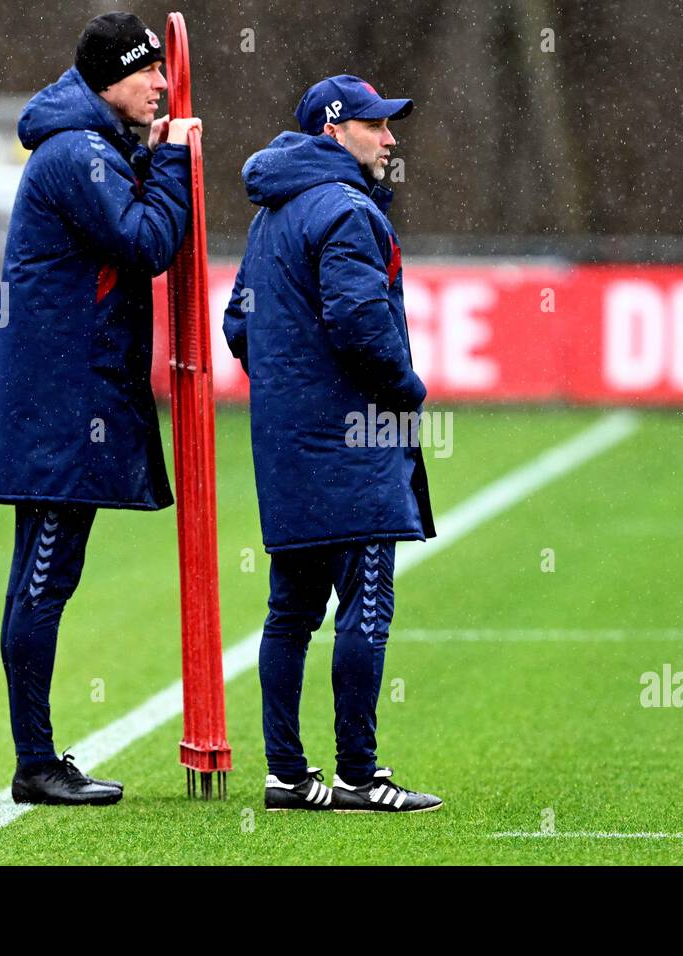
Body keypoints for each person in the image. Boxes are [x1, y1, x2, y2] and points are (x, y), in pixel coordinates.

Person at [0, 12, 202, 806]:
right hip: (60, 406)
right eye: (149, 74)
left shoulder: (87, 144)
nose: (161, 87)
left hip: (61, 400)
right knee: (44, 580)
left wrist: (148, 157)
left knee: (41, 581)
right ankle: (35, 764)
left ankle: (37, 757)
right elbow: (146, 244)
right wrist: (172, 162)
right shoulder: (79, 152)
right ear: (109, 77)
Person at [223, 75, 441, 813]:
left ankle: (287, 774)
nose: (390, 138)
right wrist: (406, 390)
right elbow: (359, 323)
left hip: (287, 448)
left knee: (290, 613)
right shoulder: (347, 211)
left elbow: (239, 328)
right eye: (376, 126)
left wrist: (292, 388)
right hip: (353, 445)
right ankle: (359, 774)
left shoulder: (270, 216)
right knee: (366, 608)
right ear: (334, 130)